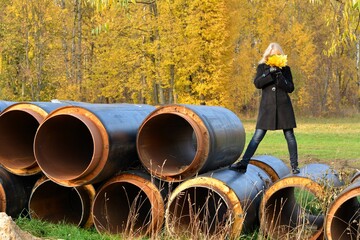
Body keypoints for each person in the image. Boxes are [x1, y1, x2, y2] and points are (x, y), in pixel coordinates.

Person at [230, 42, 300, 174]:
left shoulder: (286, 69)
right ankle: (243, 163)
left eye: (277, 54)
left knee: (290, 135)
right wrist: (269, 73)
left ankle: (295, 166)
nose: (274, 57)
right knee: (257, 136)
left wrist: (280, 76)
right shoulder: (262, 67)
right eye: (272, 55)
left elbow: (290, 88)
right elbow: (257, 83)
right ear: (267, 55)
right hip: (267, 108)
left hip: (283, 106)